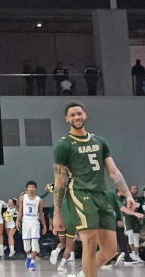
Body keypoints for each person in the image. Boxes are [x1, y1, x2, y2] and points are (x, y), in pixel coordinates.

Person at [52, 102, 136, 277]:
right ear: (67, 119)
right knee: (89, 241)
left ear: (85, 115)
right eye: (72, 115)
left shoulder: (100, 141)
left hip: (101, 194)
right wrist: (57, 213)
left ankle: (82, 274)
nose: (76, 117)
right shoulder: (64, 145)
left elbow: (114, 172)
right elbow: (59, 181)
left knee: (110, 250)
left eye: (79, 114)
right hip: (80, 194)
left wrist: (128, 194)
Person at [17, 181, 47, 271]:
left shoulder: (39, 200)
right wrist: (17, 221)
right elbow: (20, 211)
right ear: (27, 189)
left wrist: (44, 225)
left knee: (35, 242)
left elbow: (41, 214)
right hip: (25, 220)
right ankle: (29, 256)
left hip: (35, 221)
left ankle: (33, 262)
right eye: (29, 187)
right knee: (26, 244)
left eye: (33, 187)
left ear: (35, 189)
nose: (31, 188)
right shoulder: (23, 198)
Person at [118, 185, 144, 263]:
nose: (134, 190)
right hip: (128, 219)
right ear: (130, 190)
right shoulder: (124, 197)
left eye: (135, 188)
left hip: (136, 220)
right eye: (132, 189)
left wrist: (141, 215)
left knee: (136, 237)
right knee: (130, 236)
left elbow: (141, 210)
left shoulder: (139, 199)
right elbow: (119, 200)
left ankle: (136, 255)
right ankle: (132, 254)